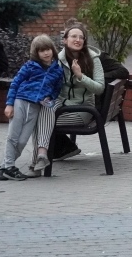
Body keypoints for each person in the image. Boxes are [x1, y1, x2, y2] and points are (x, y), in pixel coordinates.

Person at [35, 23, 106, 167]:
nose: (78, 40)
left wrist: (80, 76)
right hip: (61, 105)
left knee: (40, 123)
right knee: (38, 116)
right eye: (74, 36)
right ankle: (48, 154)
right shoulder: (57, 60)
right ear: (65, 40)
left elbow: (100, 88)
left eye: (81, 37)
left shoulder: (93, 59)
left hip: (84, 109)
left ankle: (46, 156)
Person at [0, 35, 64, 181]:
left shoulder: (57, 71)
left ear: (52, 50)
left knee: (22, 140)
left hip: (36, 107)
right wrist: (9, 104)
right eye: (41, 51)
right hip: (20, 102)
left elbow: (56, 89)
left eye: (47, 49)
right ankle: (9, 166)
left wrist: (50, 98)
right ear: (36, 53)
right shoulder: (30, 66)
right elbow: (15, 83)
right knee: (13, 137)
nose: (46, 53)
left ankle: (4, 167)